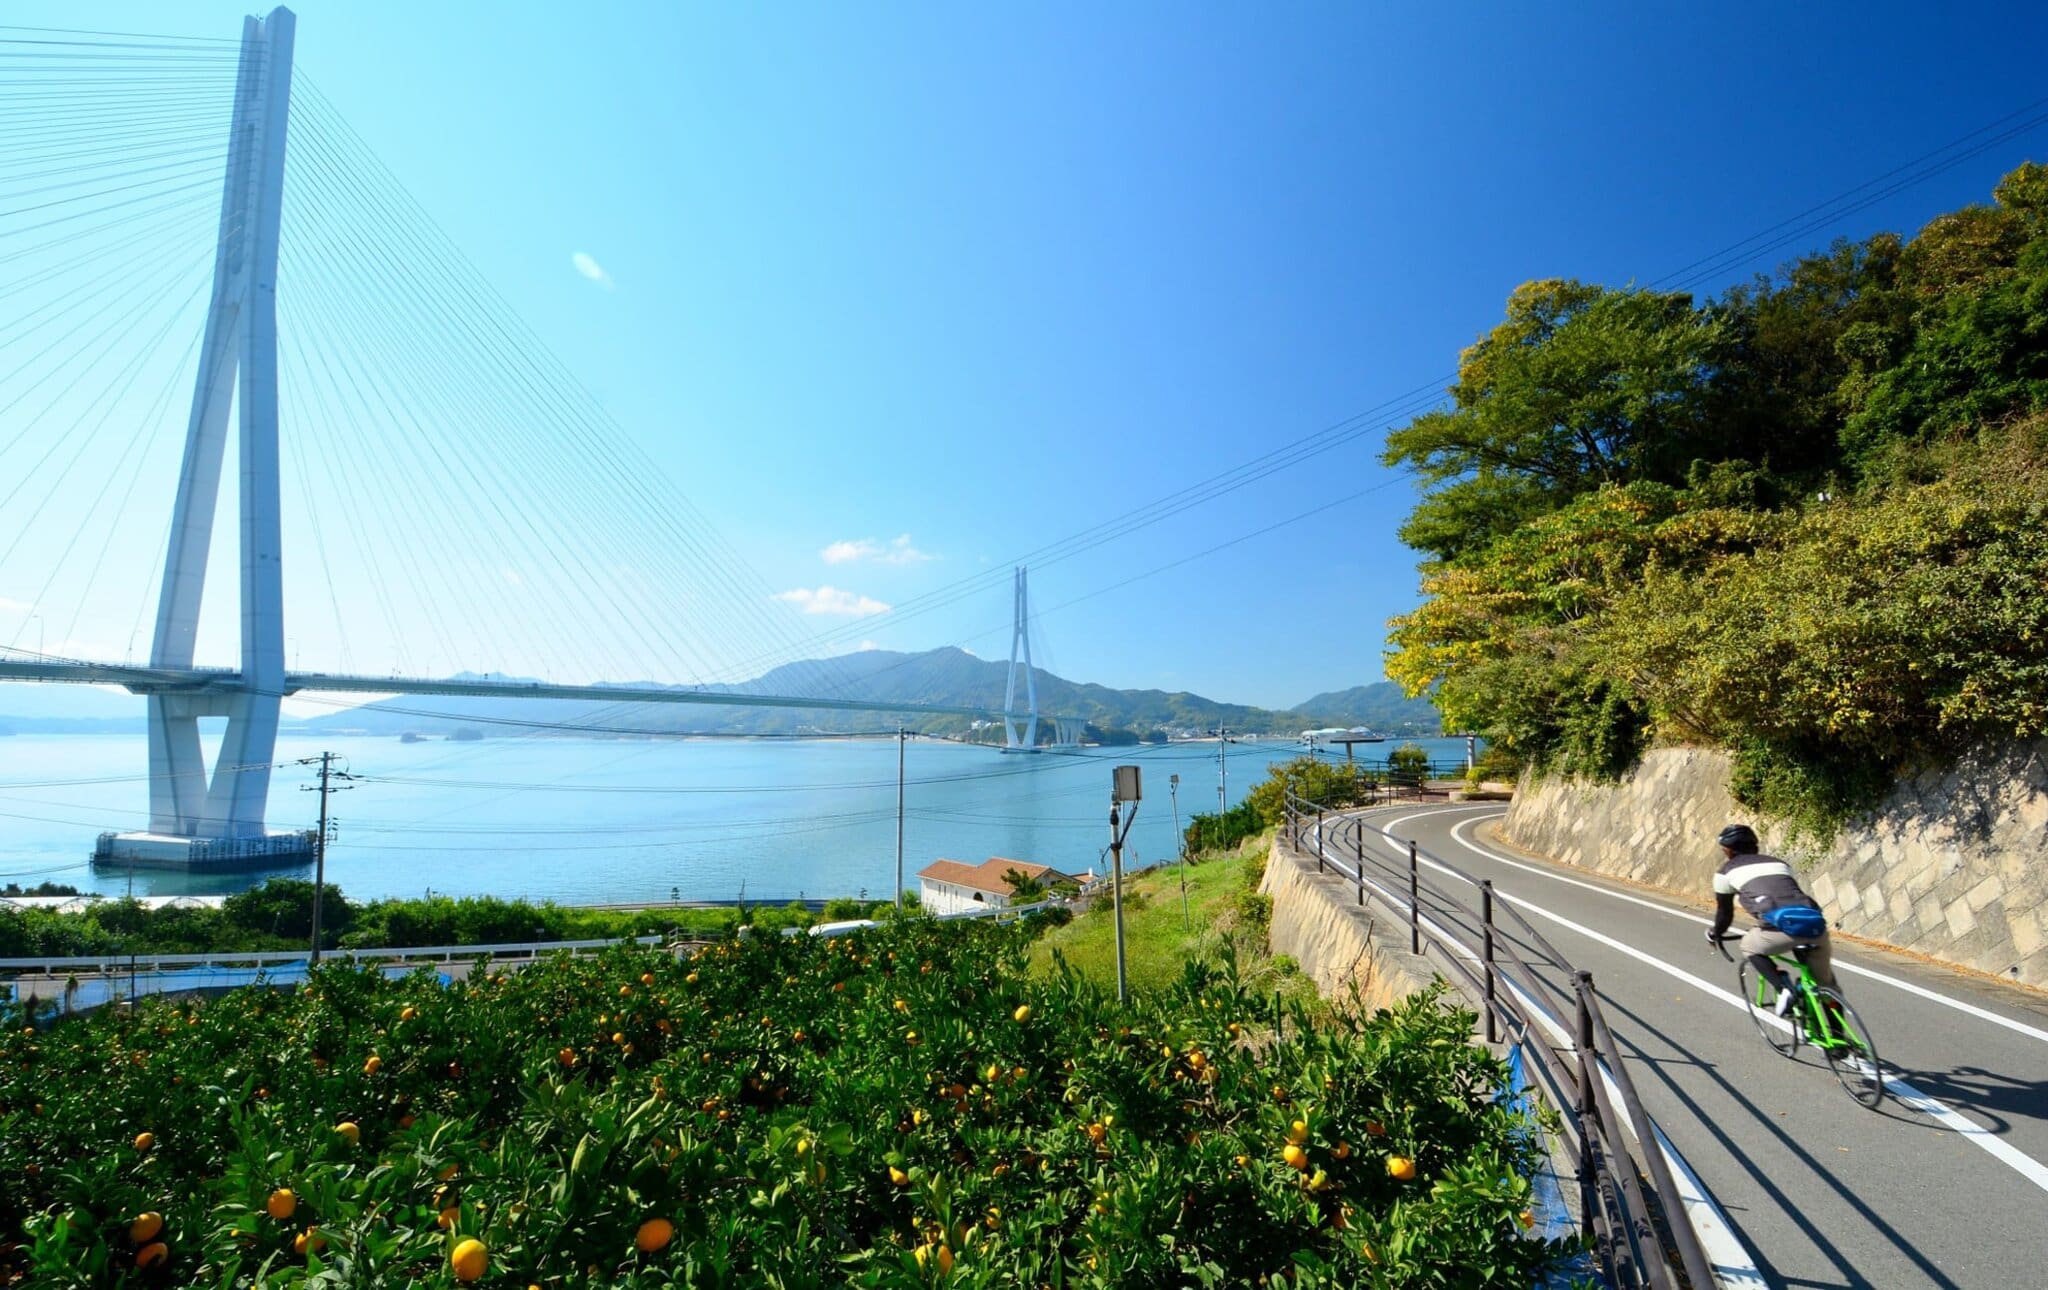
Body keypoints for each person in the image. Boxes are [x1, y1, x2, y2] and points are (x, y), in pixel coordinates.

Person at [1705, 823, 1835, 1014]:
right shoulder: (1779, 864)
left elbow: (1725, 914)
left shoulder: (1725, 873)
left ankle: (1784, 989)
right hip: (1815, 925)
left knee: (1749, 945)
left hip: (1779, 929)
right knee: (1827, 987)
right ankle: (1838, 1037)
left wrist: (1715, 933)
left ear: (1729, 851)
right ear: (1755, 846)